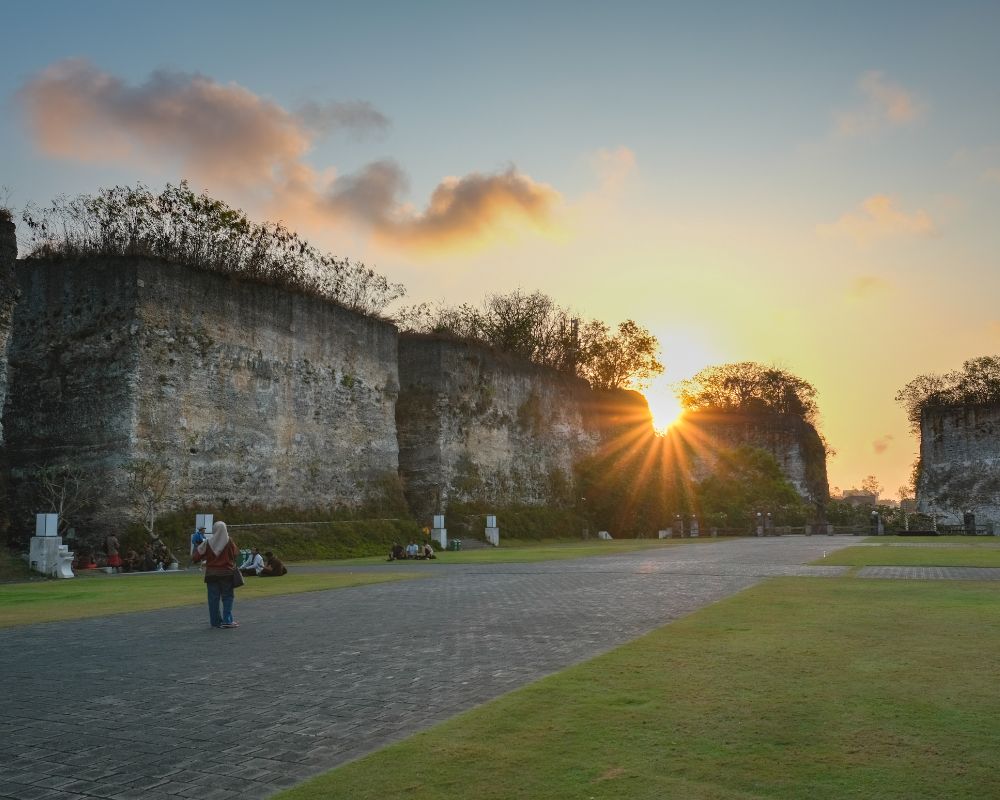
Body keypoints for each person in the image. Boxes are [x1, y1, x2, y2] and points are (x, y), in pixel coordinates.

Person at [191, 521, 240, 628]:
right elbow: (236, 553)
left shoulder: (207, 542)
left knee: (213, 599)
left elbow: (195, 557)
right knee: (227, 597)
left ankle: (215, 622)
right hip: (227, 573)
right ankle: (227, 620)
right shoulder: (229, 541)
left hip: (211, 574)